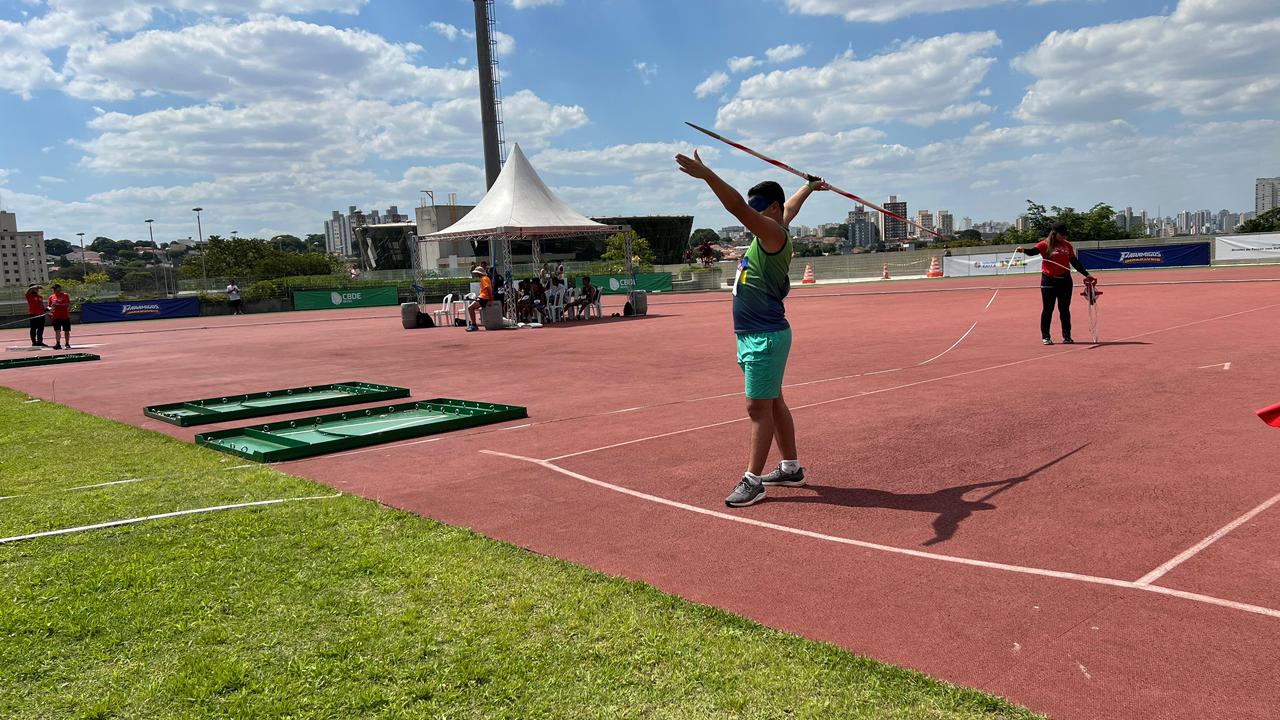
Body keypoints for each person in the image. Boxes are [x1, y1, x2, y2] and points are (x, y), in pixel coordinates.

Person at [676, 148, 825, 507]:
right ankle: (791, 468)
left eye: (759, 208)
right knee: (772, 403)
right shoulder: (776, 226)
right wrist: (810, 186)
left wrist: (707, 175)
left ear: (770, 211)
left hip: (764, 337)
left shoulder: (772, 234)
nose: (751, 216)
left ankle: (752, 480)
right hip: (755, 335)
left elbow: (738, 209)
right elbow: (789, 207)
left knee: (757, 408)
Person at [1017, 222, 1093, 345]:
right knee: (1048, 309)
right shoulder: (1044, 244)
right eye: (1062, 235)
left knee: (1064, 309)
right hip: (1049, 280)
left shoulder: (1067, 245)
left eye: (1065, 235)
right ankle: (1046, 336)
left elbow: (1074, 262)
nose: (1064, 237)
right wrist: (1023, 250)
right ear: (1054, 233)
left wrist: (1087, 274)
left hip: (1065, 280)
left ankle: (1067, 336)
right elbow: (1033, 252)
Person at [466, 261, 493, 331]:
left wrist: (491, 299)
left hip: (484, 298)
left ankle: (474, 325)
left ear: (479, 273)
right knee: (471, 307)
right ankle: (473, 324)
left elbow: (488, 288)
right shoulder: (485, 278)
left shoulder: (484, 279)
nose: (475, 274)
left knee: (470, 308)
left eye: (476, 273)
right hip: (482, 297)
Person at [46, 282, 73, 350]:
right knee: (57, 330)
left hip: (64, 316)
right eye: (54, 289)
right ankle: (58, 343)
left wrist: (58, 305)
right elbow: (49, 306)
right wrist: (49, 310)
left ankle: (67, 343)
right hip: (55, 316)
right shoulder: (51, 297)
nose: (54, 290)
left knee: (66, 331)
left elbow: (67, 304)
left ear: (59, 288)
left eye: (55, 288)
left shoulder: (65, 295)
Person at [25, 283, 48, 347]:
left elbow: (41, 306)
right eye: (36, 289)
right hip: (33, 314)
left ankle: (40, 342)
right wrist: (34, 287)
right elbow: (28, 291)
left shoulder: (40, 297)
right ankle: (34, 342)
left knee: (41, 329)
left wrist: (46, 309)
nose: (37, 290)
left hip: (41, 315)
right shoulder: (29, 295)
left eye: (37, 289)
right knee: (33, 329)